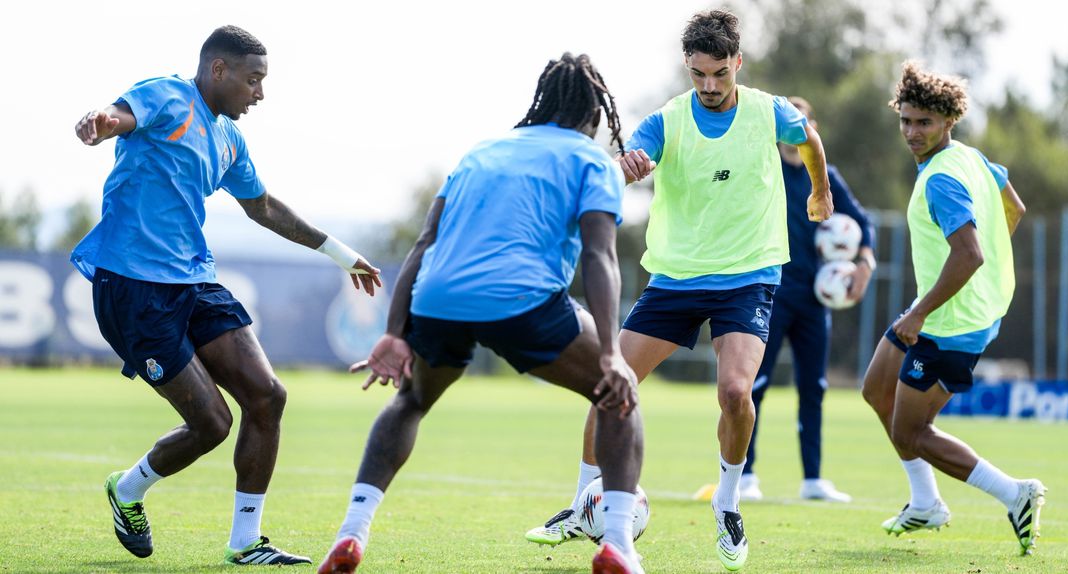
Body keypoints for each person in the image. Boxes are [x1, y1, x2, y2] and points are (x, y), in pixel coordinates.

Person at [524, 10, 833, 572]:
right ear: (686, 69)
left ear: (737, 63)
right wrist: (628, 169)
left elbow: (809, 139)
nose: (710, 86)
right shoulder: (668, 120)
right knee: (607, 384)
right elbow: (622, 165)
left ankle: (728, 499)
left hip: (748, 275)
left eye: (719, 74)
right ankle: (580, 505)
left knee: (736, 393)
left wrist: (820, 191)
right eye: (698, 75)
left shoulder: (769, 110)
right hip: (675, 278)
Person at [316, 52, 645, 574]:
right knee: (617, 398)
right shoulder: (592, 160)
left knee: (411, 402)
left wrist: (394, 333)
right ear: (594, 115)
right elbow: (600, 257)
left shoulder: (481, 151)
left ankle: (351, 533)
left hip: (438, 300)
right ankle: (619, 545)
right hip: (523, 302)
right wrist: (611, 353)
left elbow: (424, 245)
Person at [72, 25, 382, 566]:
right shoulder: (169, 95)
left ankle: (247, 544)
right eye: (253, 80)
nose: (259, 93)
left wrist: (339, 252)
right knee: (212, 424)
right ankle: (127, 490)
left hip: (194, 281)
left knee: (268, 396)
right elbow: (120, 115)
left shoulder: (228, 137)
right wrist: (101, 123)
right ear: (219, 70)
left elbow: (262, 207)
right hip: (133, 289)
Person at [860, 61, 1044, 556]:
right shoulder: (972, 158)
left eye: (924, 122)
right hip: (946, 307)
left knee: (911, 432)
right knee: (877, 388)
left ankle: (1015, 493)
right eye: (906, 120)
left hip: (950, 323)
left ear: (948, 122)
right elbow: (1015, 208)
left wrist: (921, 313)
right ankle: (925, 502)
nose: (912, 132)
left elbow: (970, 253)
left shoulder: (941, 179)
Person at [740, 97, 876, 504]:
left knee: (814, 388)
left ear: (810, 129)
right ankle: (744, 475)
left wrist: (864, 265)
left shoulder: (826, 175)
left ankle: (813, 480)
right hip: (769, 295)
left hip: (815, 300)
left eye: (801, 125)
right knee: (754, 386)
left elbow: (863, 222)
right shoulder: (764, 171)